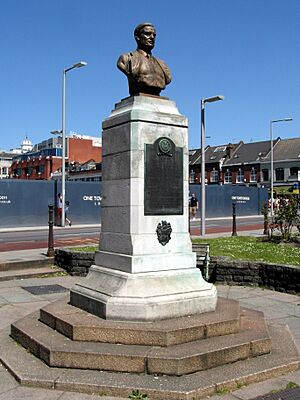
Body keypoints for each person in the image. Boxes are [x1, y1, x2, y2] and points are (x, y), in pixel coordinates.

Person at [117, 23, 172, 96]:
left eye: (154, 35)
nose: (152, 37)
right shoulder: (127, 58)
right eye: (147, 34)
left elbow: (168, 79)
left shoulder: (162, 63)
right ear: (137, 37)